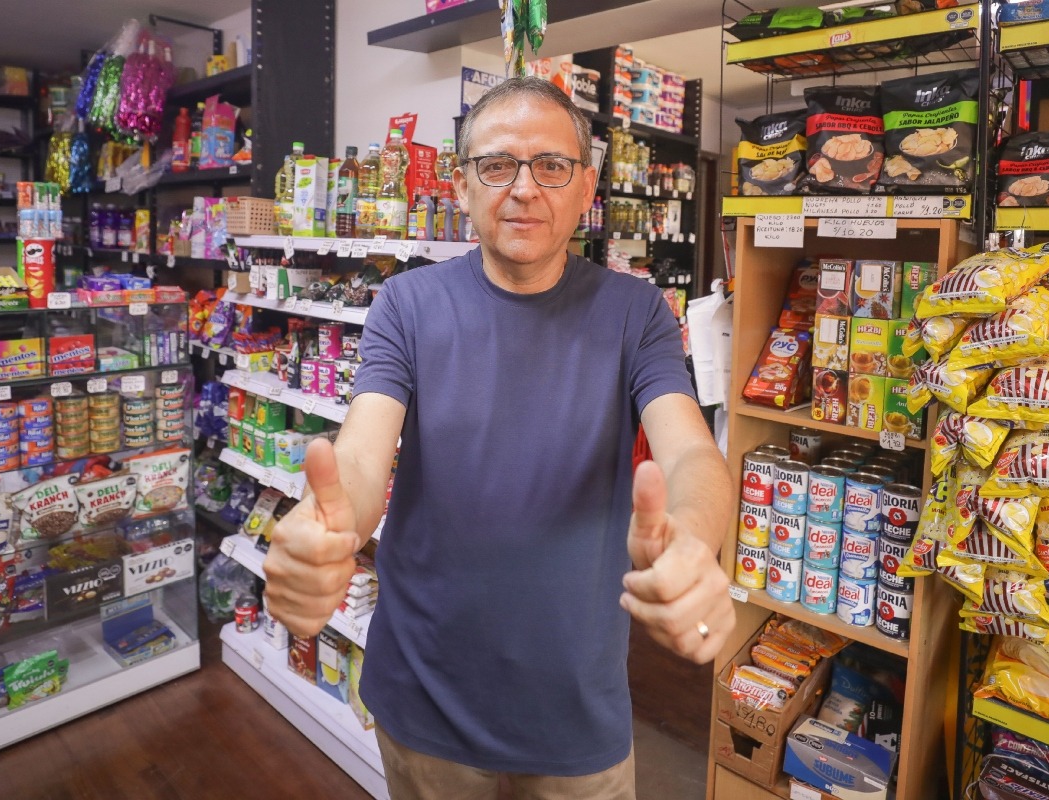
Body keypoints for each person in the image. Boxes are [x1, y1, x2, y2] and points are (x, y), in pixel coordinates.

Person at [263, 77, 734, 799]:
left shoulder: (637, 312)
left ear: (587, 187)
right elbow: (360, 453)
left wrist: (695, 543)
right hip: (424, 700)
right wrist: (327, 527)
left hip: (577, 710)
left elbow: (692, 453)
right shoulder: (408, 303)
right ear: (460, 185)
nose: (523, 189)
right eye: (497, 165)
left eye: (551, 165)